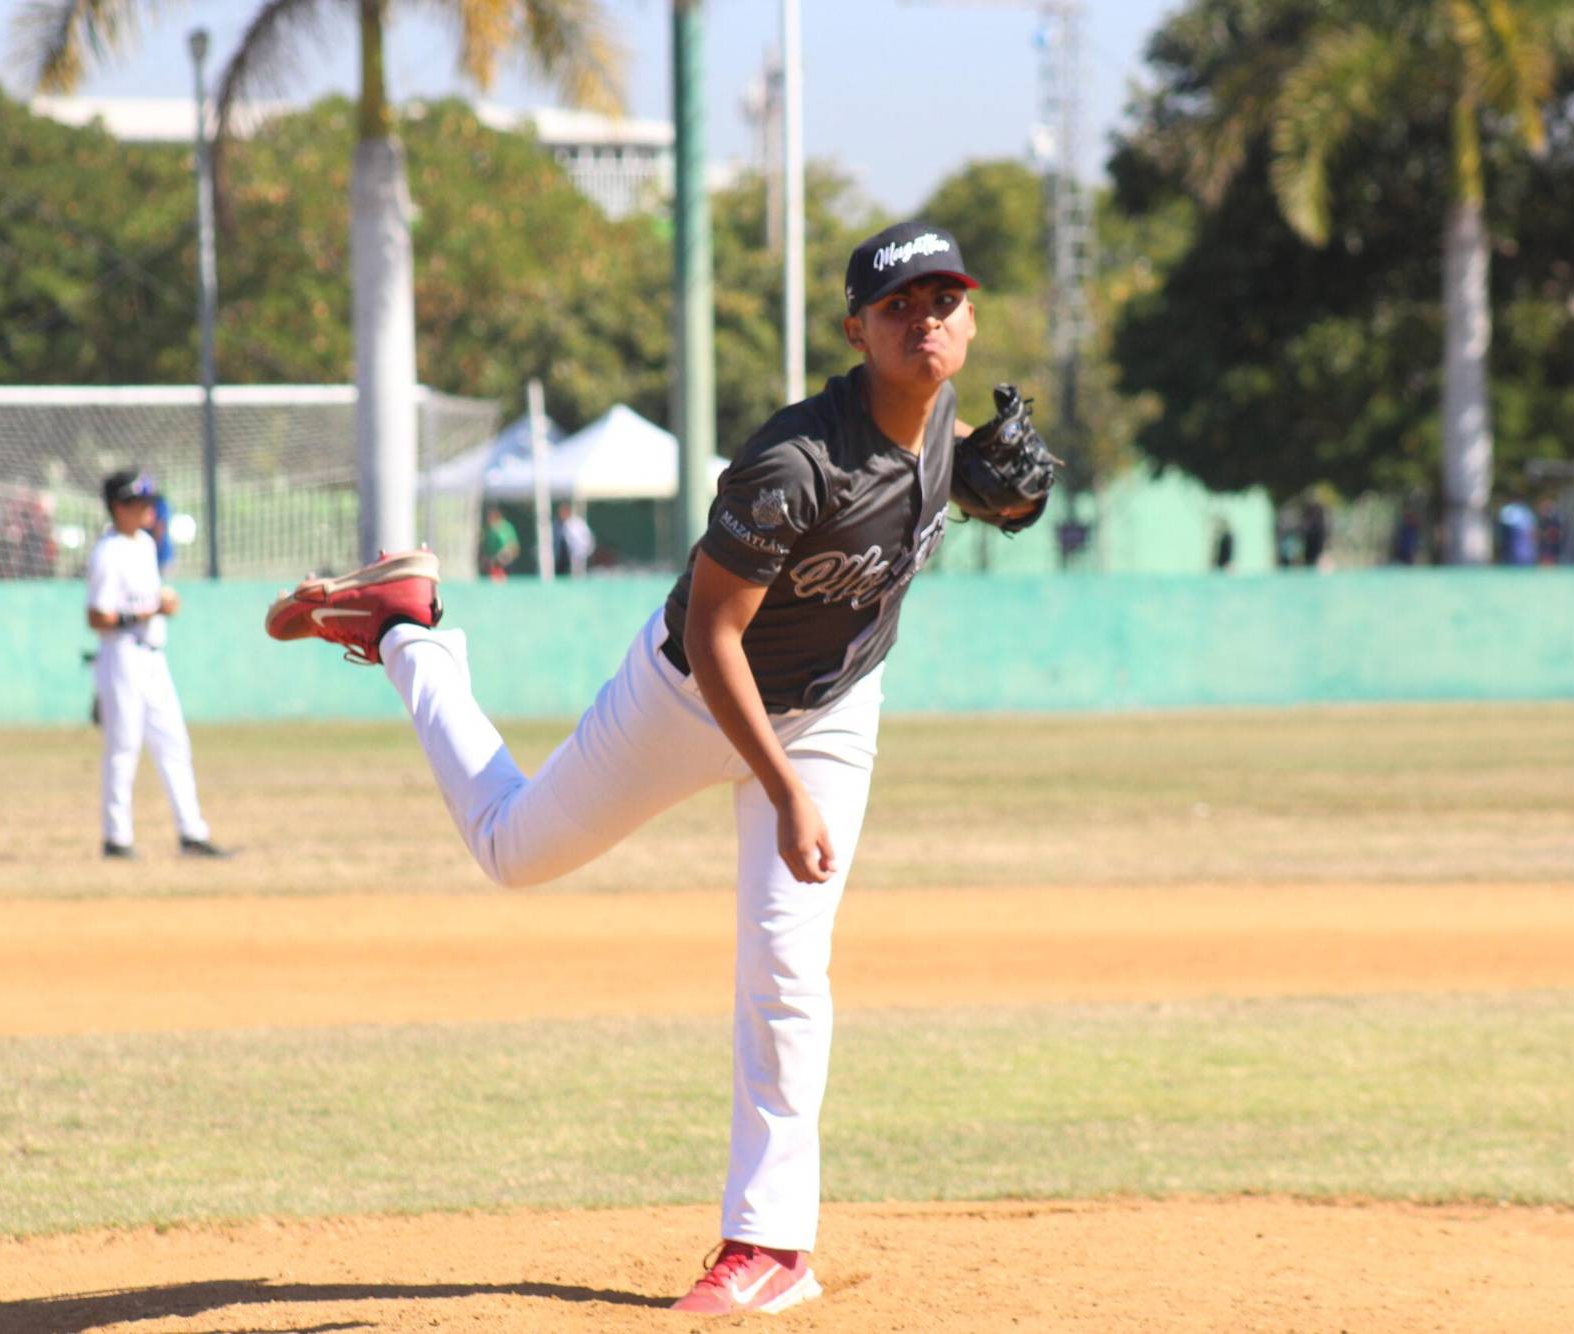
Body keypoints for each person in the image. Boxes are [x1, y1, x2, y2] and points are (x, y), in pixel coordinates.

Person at [265, 220, 1040, 1316]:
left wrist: (997, 491)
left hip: (829, 704)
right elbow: (720, 636)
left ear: (967, 316)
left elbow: (923, 494)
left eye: (944, 298)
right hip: (687, 692)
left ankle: (769, 1242)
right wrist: (781, 790)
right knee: (513, 851)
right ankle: (408, 632)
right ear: (855, 328)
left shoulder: (941, 422)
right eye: (899, 305)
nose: (926, 319)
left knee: (786, 962)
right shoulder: (789, 462)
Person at [86, 469, 226, 859]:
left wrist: (161, 607)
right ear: (119, 507)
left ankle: (192, 833)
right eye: (139, 503)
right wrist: (146, 614)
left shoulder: (146, 544)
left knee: (174, 742)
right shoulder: (107, 553)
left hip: (153, 656)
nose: (148, 510)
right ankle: (117, 839)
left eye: (149, 502)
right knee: (123, 746)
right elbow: (97, 618)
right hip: (121, 655)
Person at [477, 504, 520, 581]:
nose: (490, 518)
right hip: (489, 561)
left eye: (492, 515)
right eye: (489, 516)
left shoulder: (506, 527)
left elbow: (513, 546)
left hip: (503, 560)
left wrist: (501, 556)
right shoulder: (487, 528)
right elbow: (484, 545)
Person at [555, 501, 595, 577]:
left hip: (580, 551)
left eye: (563, 512)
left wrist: (585, 548)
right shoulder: (563, 523)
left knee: (579, 571)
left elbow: (586, 537)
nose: (561, 515)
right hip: (572, 552)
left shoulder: (576, 522)